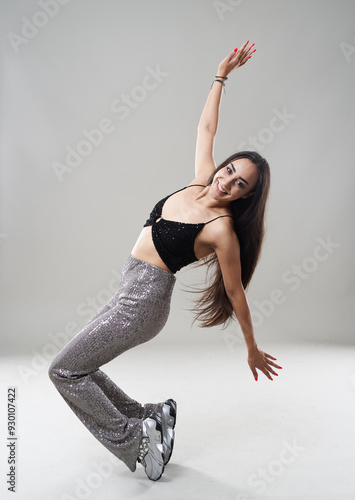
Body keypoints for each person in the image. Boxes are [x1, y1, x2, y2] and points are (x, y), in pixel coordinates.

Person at [49, 41, 282, 482]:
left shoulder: (221, 230)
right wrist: (220, 75)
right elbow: (206, 128)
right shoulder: (199, 180)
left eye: (241, 184)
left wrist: (251, 346)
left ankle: (137, 441)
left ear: (247, 196)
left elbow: (235, 292)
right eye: (231, 170)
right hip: (128, 292)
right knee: (79, 366)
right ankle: (153, 416)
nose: (228, 181)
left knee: (63, 369)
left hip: (144, 304)